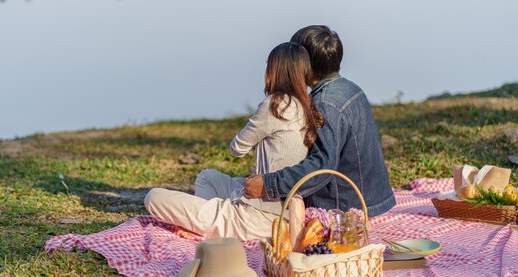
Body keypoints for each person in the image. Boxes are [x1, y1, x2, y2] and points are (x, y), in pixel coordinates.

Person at [144, 42, 323, 240]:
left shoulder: (275, 105)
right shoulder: (307, 106)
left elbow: (237, 148)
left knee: (153, 197)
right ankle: (208, 222)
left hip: (257, 217)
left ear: (275, 70)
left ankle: (210, 224)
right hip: (283, 212)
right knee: (207, 177)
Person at [244, 25, 396, 217]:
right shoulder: (350, 88)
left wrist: (269, 184)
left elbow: (322, 166)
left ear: (305, 64)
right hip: (371, 198)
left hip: (344, 206)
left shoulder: (325, 104)